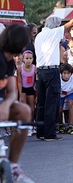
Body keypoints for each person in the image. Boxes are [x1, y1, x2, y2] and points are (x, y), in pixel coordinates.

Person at [35, 2, 73, 141]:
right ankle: (50, 134)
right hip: (51, 71)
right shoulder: (54, 32)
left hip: (40, 71)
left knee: (42, 103)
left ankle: (41, 132)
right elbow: (72, 22)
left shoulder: (38, 36)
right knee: (51, 103)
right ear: (56, 26)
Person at [0, 24, 34, 182]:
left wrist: (6, 105)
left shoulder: (9, 62)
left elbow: (12, 91)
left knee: (24, 111)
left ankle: (13, 167)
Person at [58, 63, 73, 135]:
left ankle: (71, 125)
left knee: (71, 104)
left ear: (71, 74)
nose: (66, 75)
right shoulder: (58, 79)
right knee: (59, 109)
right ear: (61, 73)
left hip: (70, 93)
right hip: (60, 94)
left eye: (68, 73)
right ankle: (60, 124)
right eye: (64, 73)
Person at [17, 50, 36, 135]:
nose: (28, 60)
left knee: (32, 109)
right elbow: (19, 82)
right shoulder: (20, 68)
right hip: (24, 89)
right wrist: (20, 94)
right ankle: (27, 126)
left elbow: (36, 80)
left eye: (30, 58)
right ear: (23, 59)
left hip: (31, 89)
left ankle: (32, 124)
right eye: (26, 58)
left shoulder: (34, 68)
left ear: (33, 59)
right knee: (25, 108)